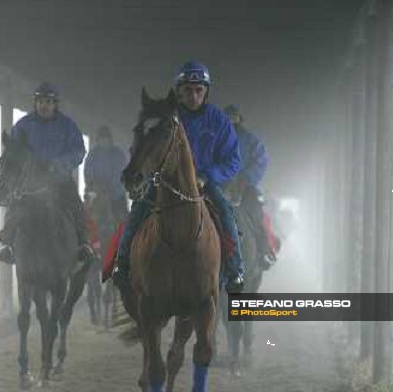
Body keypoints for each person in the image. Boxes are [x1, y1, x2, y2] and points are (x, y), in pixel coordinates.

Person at [112, 61, 245, 293]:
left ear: (206, 91)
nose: (193, 96)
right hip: (165, 181)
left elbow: (233, 159)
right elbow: (150, 148)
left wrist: (208, 175)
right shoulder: (168, 117)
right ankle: (122, 263)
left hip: (204, 183)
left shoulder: (219, 120)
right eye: (187, 91)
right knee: (138, 210)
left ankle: (235, 270)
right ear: (179, 92)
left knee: (225, 212)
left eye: (198, 90)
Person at [0, 82, 91, 264]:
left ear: (55, 104)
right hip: (30, 182)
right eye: (40, 101)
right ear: (35, 103)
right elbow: (13, 152)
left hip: (60, 181)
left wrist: (58, 165)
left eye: (48, 101)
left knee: (76, 207)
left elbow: (78, 151)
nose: (44, 105)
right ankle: (9, 245)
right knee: (15, 206)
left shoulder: (67, 126)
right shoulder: (23, 125)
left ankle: (82, 245)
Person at [224, 104, 277, 269]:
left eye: (234, 117)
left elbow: (261, 161)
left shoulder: (250, 140)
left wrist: (245, 178)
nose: (231, 120)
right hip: (219, 185)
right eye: (228, 117)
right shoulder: (214, 140)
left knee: (256, 214)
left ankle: (263, 252)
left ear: (239, 119)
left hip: (244, 187)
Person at [84, 125, 129, 226]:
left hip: (115, 194)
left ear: (110, 139)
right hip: (96, 192)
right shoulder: (93, 154)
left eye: (106, 139)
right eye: (101, 139)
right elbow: (88, 171)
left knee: (121, 218)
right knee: (88, 213)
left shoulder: (118, 154)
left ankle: (122, 234)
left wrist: (110, 186)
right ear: (98, 140)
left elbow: (120, 173)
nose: (104, 141)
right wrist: (92, 184)